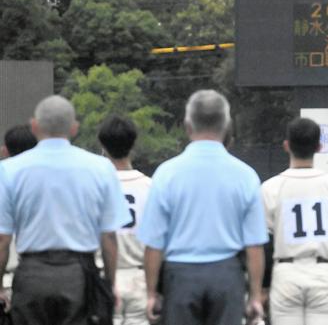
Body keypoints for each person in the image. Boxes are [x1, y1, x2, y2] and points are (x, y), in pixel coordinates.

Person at [137, 89, 268, 325]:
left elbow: (154, 244)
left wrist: (151, 293)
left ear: (188, 125)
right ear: (226, 126)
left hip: (180, 277)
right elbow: (254, 246)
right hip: (227, 276)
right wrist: (255, 296)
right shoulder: (246, 176)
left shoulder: (166, 174)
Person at [0, 95, 132, 324]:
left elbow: (3, 239)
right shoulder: (100, 168)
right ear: (74, 128)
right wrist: (109, 286)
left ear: (34, 126)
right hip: (79, 275)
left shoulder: (9, 170)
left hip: (31, 274)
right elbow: (109, 237)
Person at [261, 117, 328, 325]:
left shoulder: (270, 187)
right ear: (319, 147)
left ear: (286, 145)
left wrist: (263, 288)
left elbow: (266, 244)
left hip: (286, 274)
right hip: (323, 273)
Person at [98, 115, 152, 325]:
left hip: (104, 277)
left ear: (103, 145)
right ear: (133, 144)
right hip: (142, 278)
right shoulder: (151, 187)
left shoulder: (95, 186)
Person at [0, 125, 38, 315]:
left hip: (7, 279)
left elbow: (2, 240)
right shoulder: (46, 183)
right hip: (37, 277)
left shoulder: (3, 176)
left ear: (5, 150)